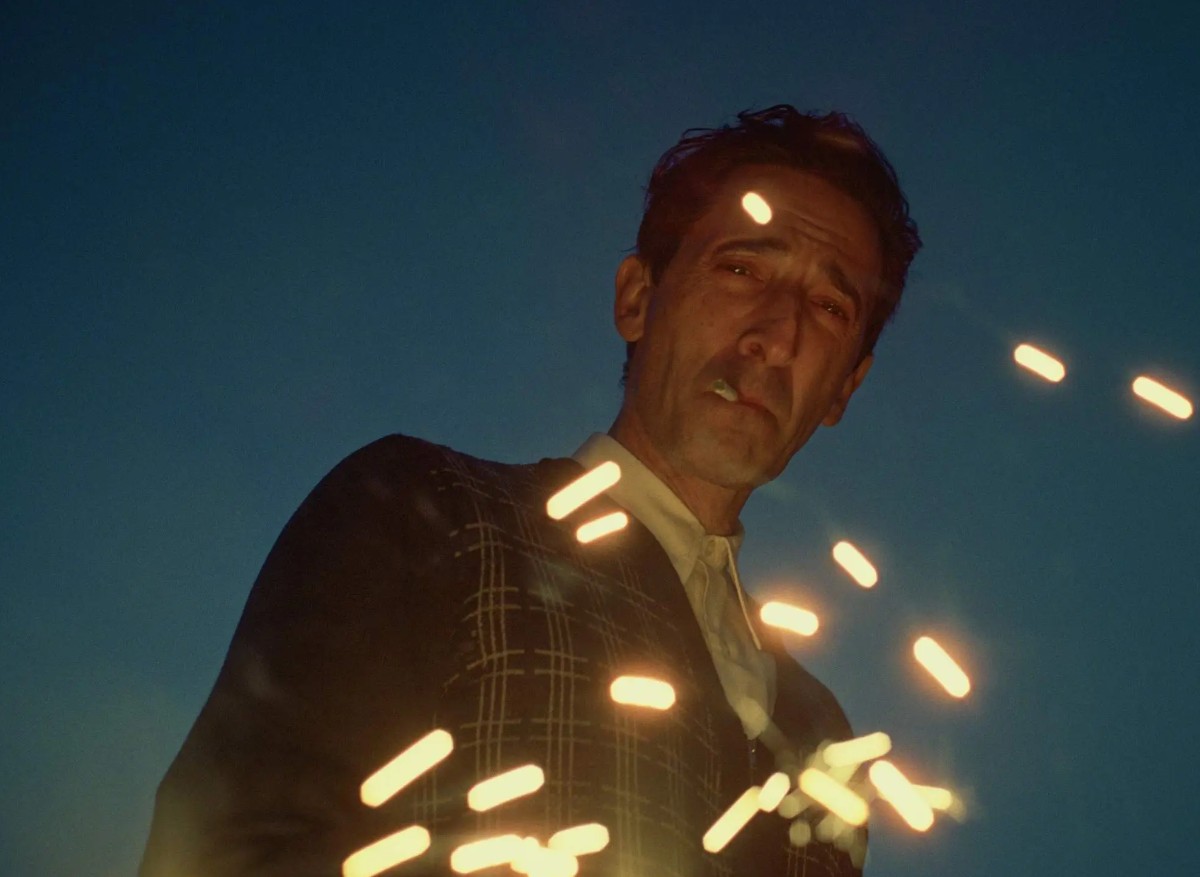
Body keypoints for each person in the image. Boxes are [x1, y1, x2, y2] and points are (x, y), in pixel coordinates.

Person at [140, 105, 920, 877]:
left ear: (845, 386)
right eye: (742, 268)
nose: (777, 335)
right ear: (637, 299)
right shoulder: (426, 512)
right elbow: (231, 845)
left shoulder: (822, 732)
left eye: (829, 306)